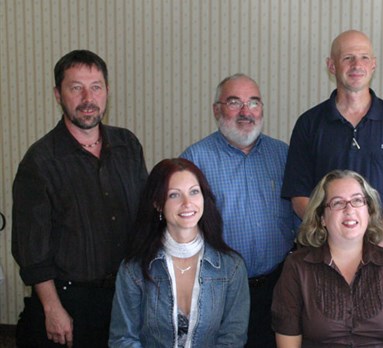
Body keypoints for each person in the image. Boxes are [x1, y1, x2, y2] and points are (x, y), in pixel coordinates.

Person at [11, 50, 148, 347]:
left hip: (125, 297)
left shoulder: (128, 145)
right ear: (58, 94)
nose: (88, 98)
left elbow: (145, 218)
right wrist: (52, 308)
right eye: (76, 88)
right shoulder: (40, 162)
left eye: (96, 87)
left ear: (107, 91)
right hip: (68, 303)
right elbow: (31, 250)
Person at [282, 30, 383, 256]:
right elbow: (299, 196)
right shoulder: (309, 124)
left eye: (364, 57)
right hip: (323, 257)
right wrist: (338, 243)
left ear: (373, 65)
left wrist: (371, 247)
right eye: (348, 58)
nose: (357, 64)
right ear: (331, 66)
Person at [180, 73, 297, 347]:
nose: (246, 112)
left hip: (277, 287)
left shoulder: (284, 155)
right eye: (235, 102)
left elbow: (302, 219)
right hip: (218, 291)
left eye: (254, 103)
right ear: (216, 110)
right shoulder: (194, 161)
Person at [109, 158, 250, 346]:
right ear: (158, 204)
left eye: (194, 192)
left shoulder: (232, 267)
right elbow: (123, 339)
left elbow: (232, 339)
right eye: (174, 195)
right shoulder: (133, 269)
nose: (187, 203)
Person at [272, 169, 383, 347]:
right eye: (337, 203)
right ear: (322, 218)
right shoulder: (297, 266)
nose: (349, 209)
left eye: (358, 200)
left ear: (369, 211)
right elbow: (288, 339)